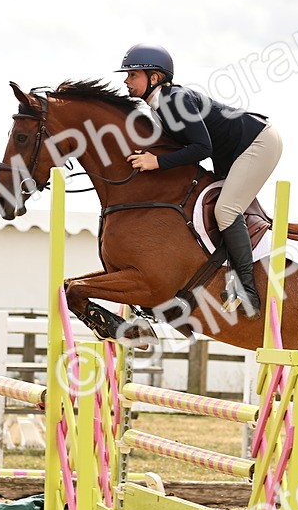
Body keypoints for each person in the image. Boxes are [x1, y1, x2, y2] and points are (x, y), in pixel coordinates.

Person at [117, 43, 282, 319]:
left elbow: (201, 148)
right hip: (234, 151)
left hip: (257, 143)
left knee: (225, 210)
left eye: (133, 75)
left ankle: (248, 291)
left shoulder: (174, 100)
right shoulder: (159, 107)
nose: (126, 80)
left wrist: (155, 162)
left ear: (154, 78)